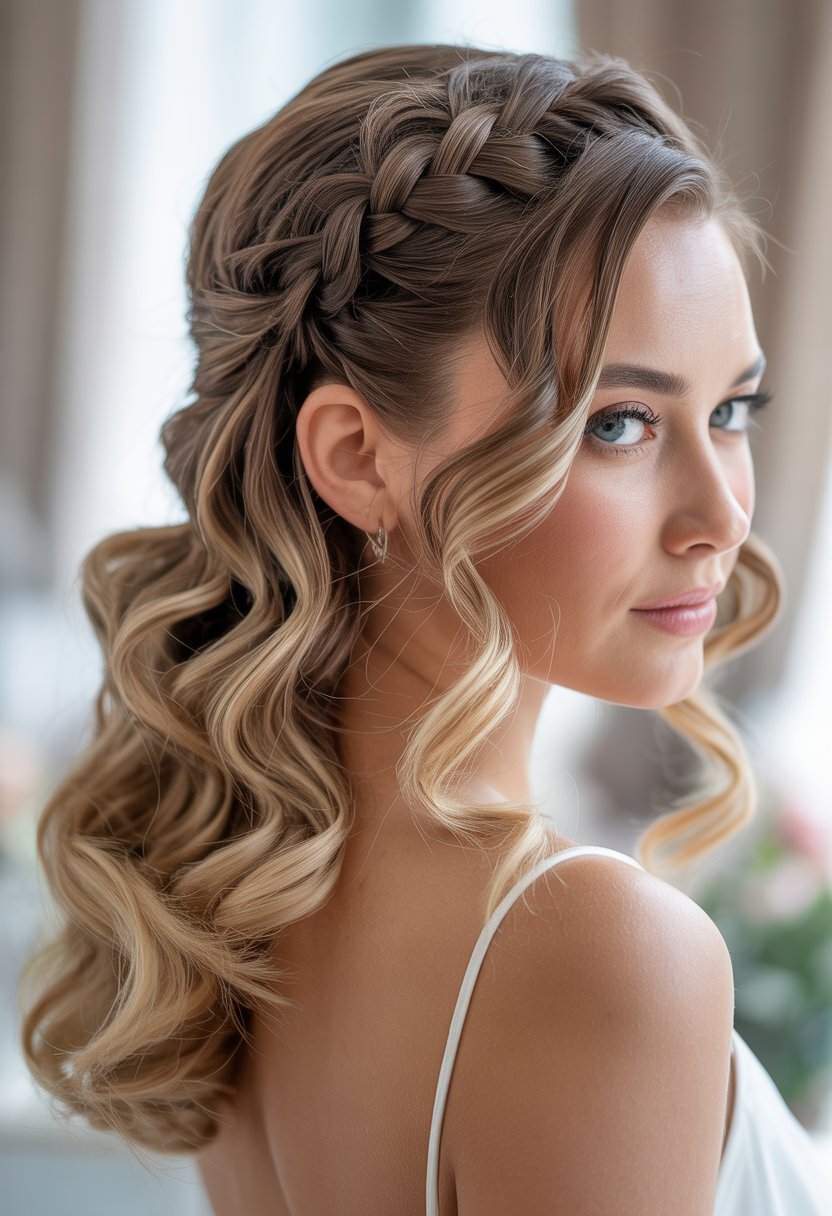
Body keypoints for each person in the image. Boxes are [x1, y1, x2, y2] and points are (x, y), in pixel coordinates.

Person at [19, 42, 832, 1216]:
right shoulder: (594, 951)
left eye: (732, 410)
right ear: (356, 456)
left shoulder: (239, 898)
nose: (721, 516)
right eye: (618, 424)